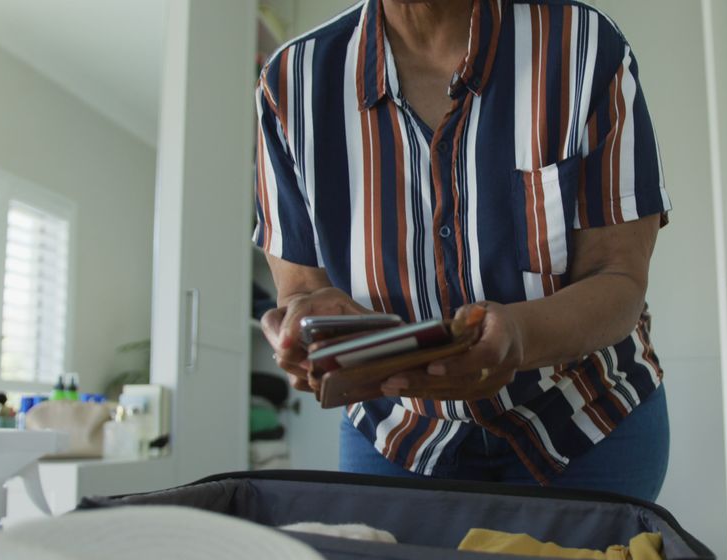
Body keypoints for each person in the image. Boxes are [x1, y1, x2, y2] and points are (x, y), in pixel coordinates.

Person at [255, 0, 671, 501]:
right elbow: (300, 287)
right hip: (398, 436)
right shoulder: (290, 85)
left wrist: (517, 336)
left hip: (585, 419)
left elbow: (620, 278)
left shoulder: (583, 47)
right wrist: (305, 322)